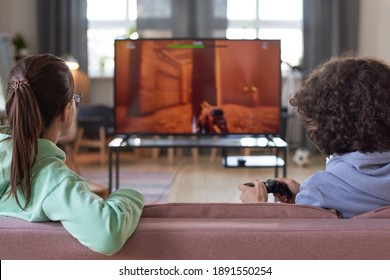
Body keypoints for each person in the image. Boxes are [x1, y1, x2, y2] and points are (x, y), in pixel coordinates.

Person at [0, 53, 144, 255]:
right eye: (75, 100)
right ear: (67, 111)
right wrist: (130, 195)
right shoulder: (54, 181)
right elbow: (106, 234)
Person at [238, 55, 390, 218]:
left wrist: (256, 209)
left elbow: (294, 241)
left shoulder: (318, 191)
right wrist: (305, 197)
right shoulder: (317, 193)